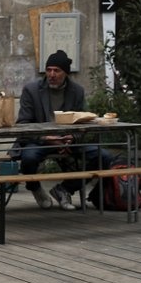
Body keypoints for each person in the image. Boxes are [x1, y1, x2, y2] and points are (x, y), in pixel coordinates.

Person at [14, 49, 114, 210]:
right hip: (40, 141)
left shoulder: (77, 91)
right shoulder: (31, 90)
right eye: (48, 70)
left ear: (66, 73)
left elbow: (83, 121)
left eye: (57, 70)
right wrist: (46, 138)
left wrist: (71, 138)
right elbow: (23, 124)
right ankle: (35, 187)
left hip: (68, 140)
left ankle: (65, 189)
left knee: (104, 157)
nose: (52, 74)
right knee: (29, 157)